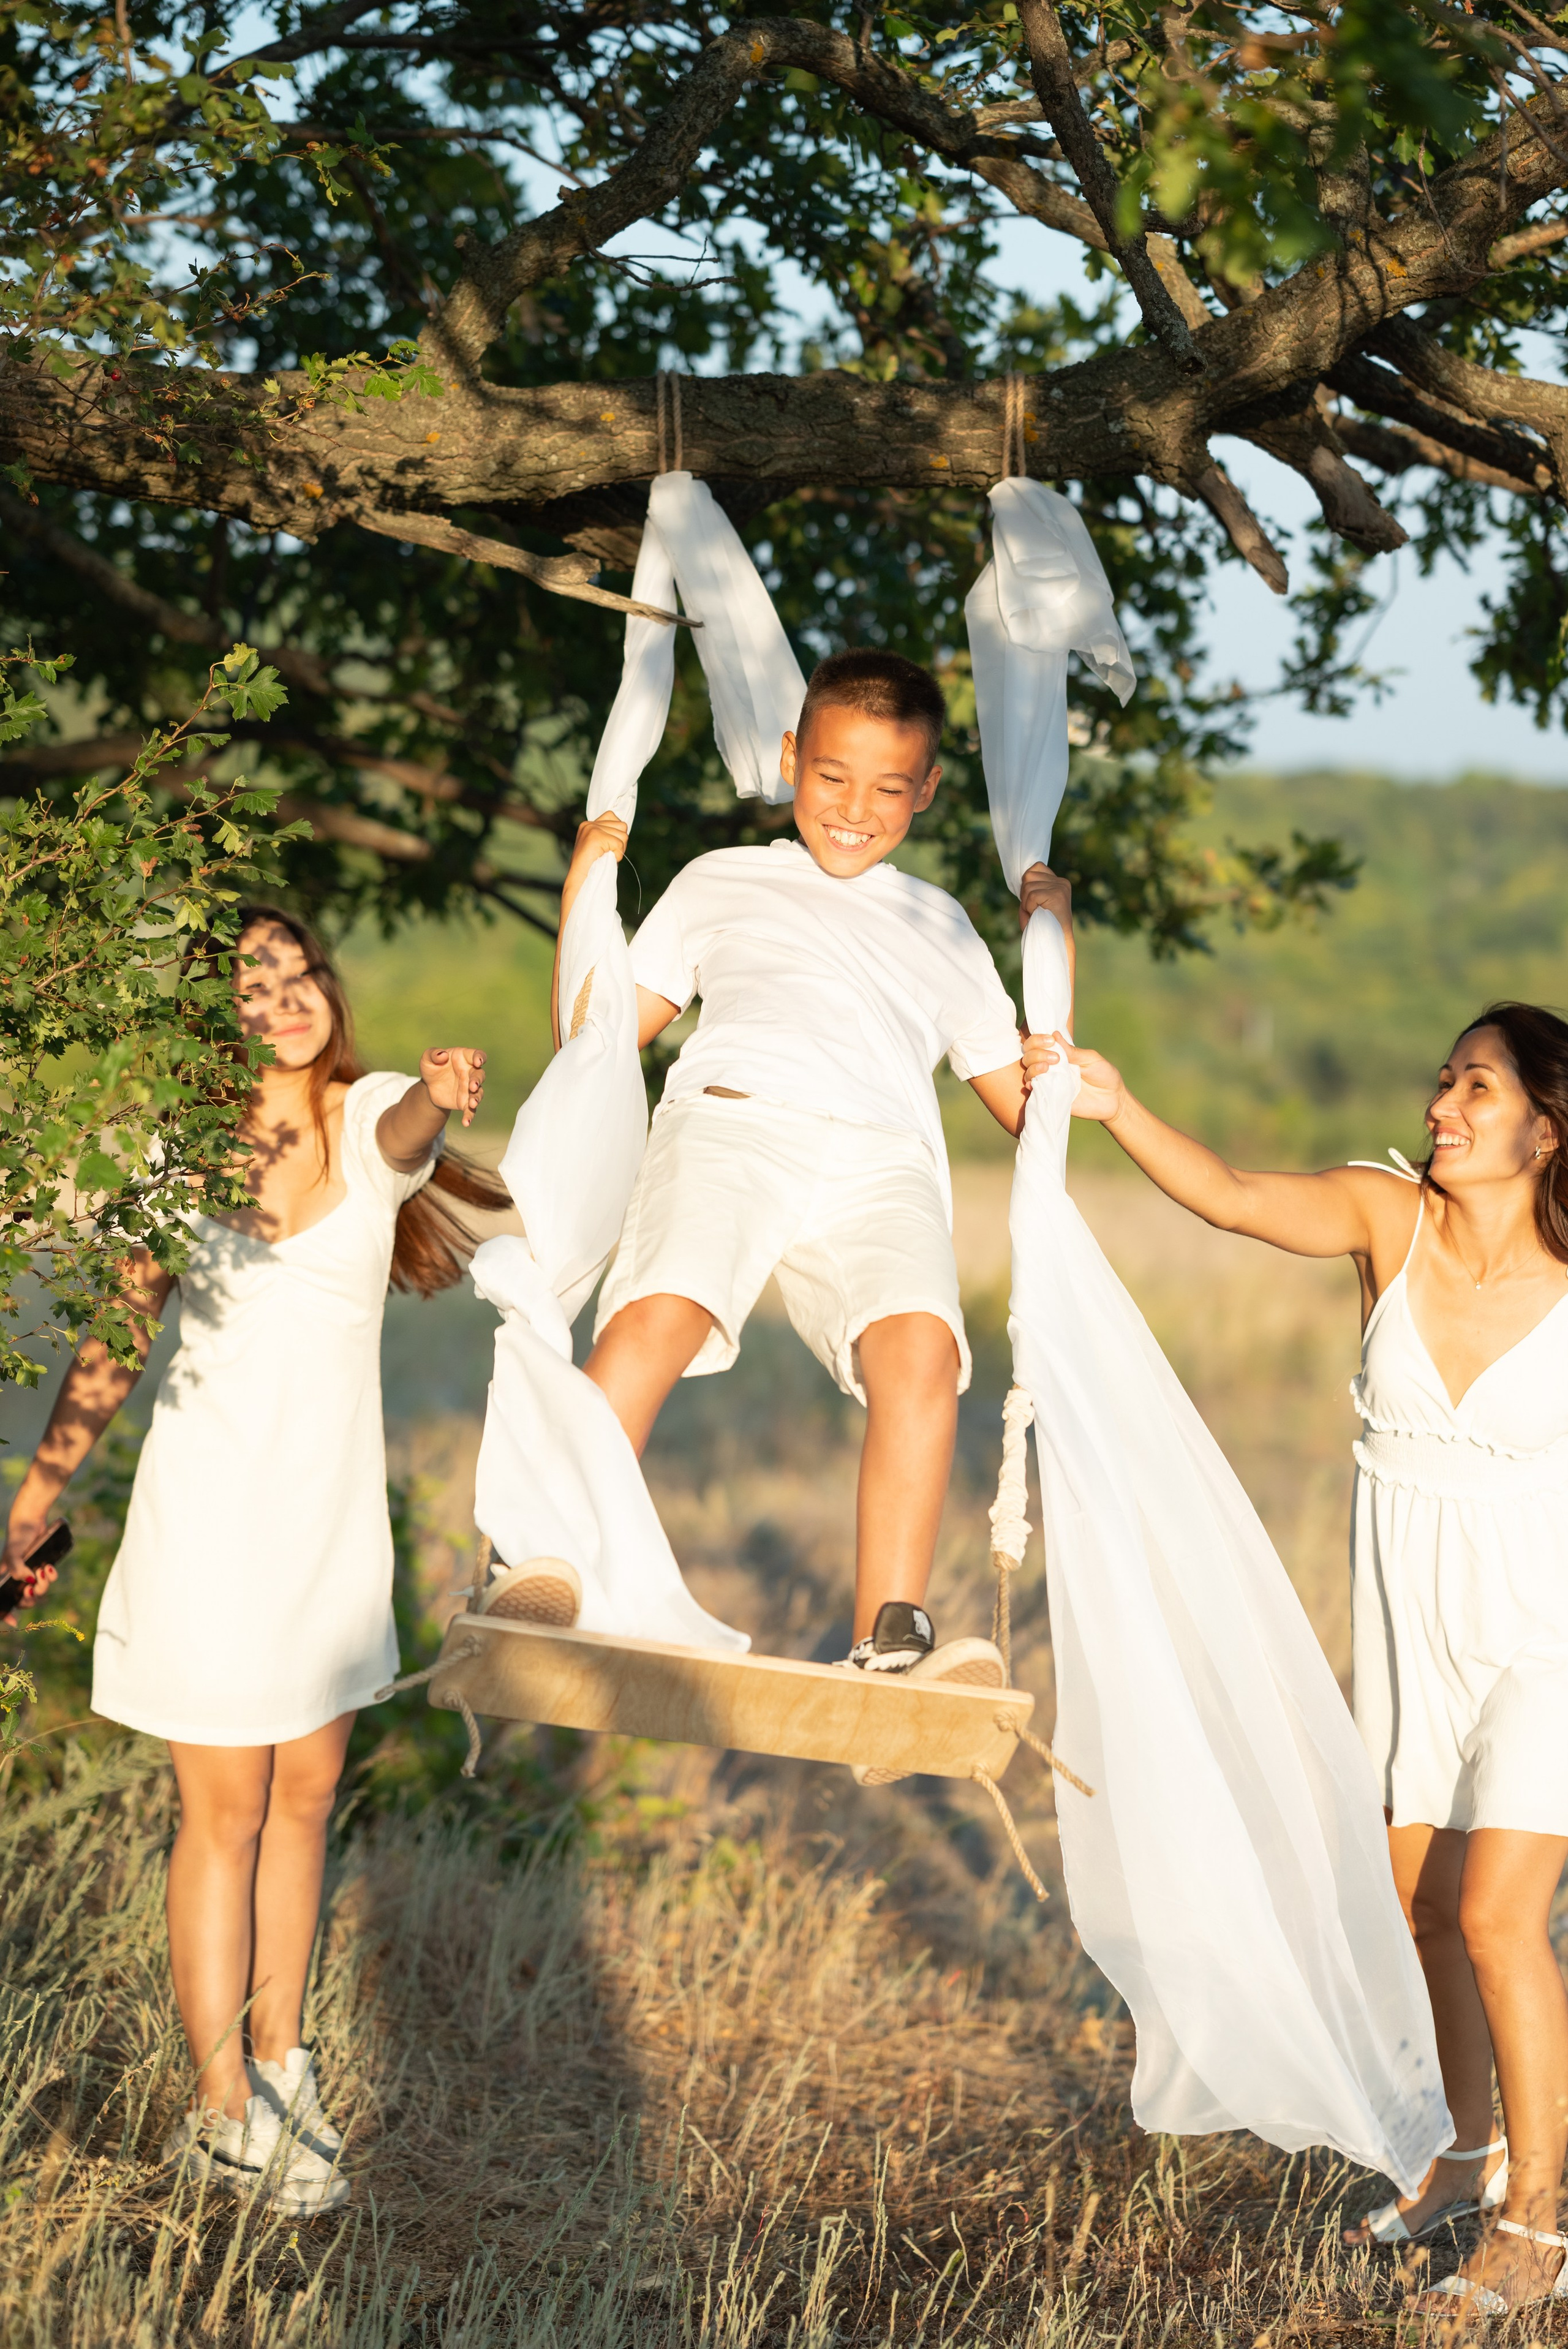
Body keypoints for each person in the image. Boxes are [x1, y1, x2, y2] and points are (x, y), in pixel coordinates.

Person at [1022, 999, 1568, 2324]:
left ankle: (1535, 2224)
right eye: (1442, 1080)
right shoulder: (1389, 1219)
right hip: (1405, 1619)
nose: (1441, 1106)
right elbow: (1223, 1195)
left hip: (1544, 1617)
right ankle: (1459, 2150)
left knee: (1499, 1916)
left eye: (1476, 1090)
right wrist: (1109, 1100)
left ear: (1547, 1129)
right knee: (1422, 1910)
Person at [1, 906, 505, 2215]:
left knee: (303, 1804)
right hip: (207, 1527)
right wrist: (36, 1499)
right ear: (216, 1018)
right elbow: (111, 1346)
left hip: (327, 1534)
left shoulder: (371, 1111)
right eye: (252, 981)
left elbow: (411, 1132)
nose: (282, 995)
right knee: (222, 1816)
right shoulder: (177, 1161)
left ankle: (284, 2066)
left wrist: (445, 1094)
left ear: (330, 990)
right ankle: (221, 2109)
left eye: (297, 972)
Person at [535, 647, 1059, 1686]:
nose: (854, 809)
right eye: (830, 778)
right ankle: (549, 1554)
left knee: (920, 1357)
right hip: (735, 1123)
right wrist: (582, 897)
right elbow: (595, 1039)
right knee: (659, 1316)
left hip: (881, 1156)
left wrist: (1055, 937)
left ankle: (890, 1631)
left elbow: (1030, 1113)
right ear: (789, 759)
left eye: (888, 788)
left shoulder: (942, 926)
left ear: (929, 790)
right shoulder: (719, 880)